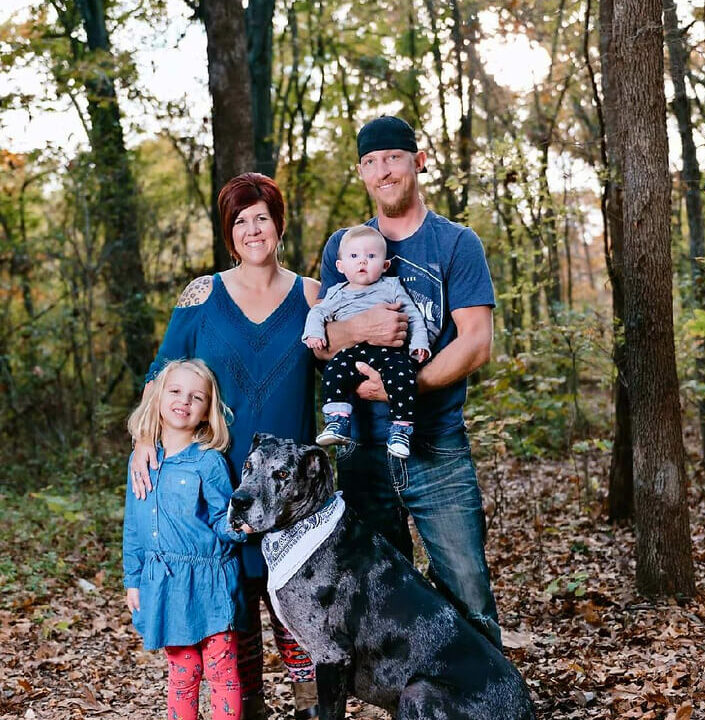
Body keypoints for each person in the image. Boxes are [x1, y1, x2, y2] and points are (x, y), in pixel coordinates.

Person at [130, 173, 320, 720]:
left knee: (297, 617)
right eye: (240, 220)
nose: (252, 229)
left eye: (261, 216)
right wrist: (145, 439)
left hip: (292, 496)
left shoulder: (313, 294)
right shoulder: (202, 294)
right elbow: (161, 373)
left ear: (279, 223)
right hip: (216, 492)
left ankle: (314, 709)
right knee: (232, 619)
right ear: (228, 233)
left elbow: (343, 375)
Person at [316, 115, 503, 650]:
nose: (384, 171)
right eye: (372, 162)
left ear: (417, 162)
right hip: (362, 449)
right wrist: (360, 328)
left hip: (435, 443)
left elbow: (476, 342)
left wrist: (403, 387)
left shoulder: (455, 244)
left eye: (393, 158)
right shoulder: (344, 247)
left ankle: (488, 701)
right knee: (378, 595)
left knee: (468, 590)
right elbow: (324, 341)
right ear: (361, 173)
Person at [123, 359, 246, 720]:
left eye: (197, 397)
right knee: (182, 674)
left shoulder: (208, 462)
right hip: (165, 585)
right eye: (175, 391)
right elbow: (134, 524)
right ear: (158, 397)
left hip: (209, 582)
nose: (184, 401)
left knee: (222, 673)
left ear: (208, 411)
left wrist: (243, 527)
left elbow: (223, 519)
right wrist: (133, 578)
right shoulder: (140, 459)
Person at [303, 224, 430, 458]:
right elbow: (317, 313)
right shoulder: (336, 293)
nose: (362, 261)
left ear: (385, 265)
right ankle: (337, 421)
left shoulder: (391, 286)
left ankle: (400, 430)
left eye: (371, 256)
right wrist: (314, 334)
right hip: (353, 352)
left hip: (389, 352)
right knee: (333, 372)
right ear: (340, 266)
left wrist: (419, 344)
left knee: (403, 375)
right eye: (354, 256)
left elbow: (412, 316)